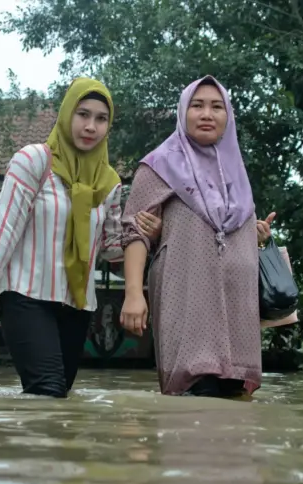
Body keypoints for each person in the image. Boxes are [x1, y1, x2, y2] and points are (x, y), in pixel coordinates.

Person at [0, 77, 162, 398]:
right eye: (83, 114)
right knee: (47, 389)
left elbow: (111, 248)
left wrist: (148, 233)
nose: (91, 126)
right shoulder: (33, 161)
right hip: (24, 294)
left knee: (59, 394)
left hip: (76, 303)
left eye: (101, 119)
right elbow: (6, 226)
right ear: (66, 115)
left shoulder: (110, 182)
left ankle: (18, 444)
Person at [120, 75, 275, 398]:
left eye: (217, 107)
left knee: (234, 403)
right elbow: (134, 230)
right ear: (183, 112)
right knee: (196, 393)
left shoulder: (235, 170)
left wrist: (256, 237)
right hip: (189, 302)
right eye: (198, 105)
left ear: (228, 116)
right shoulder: (159, 165)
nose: (207, 114)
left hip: (238, 310)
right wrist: (134, 294)